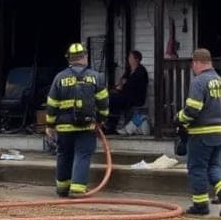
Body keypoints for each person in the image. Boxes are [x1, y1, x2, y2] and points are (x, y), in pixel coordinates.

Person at [175, 48, 221, 217]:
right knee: (213, 165)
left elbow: (193, 109)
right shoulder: (220, 81)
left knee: (197, 168)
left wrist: (179, 117)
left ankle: (200, 205)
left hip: (201, 133)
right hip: (219, 132)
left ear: (196, 63)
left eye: (192, 64)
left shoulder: (199, 82)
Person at [45, 42, 109, 198]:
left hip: (64, 127)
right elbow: (103, 103)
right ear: (85, 57)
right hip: (86, 126)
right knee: (83, 154)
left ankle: (62, 188)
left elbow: (52, 104)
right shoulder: (96, 77)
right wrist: (101, 120)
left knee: (63, 154)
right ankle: (78, 189)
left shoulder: (59, 78)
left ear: (69, 59)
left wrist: (50, 125)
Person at [105, 50, 148, 133]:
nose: (128, 59)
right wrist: (119, 86)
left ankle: (112, 125)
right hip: (126, 94)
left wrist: (124, 84)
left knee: (114, 99)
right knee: (110, 95)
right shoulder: (129, 70)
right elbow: (122, 81)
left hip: (135, 97)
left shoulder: (141, 71)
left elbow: (133, 86)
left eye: (130, 57)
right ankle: (109, 124)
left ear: (137, 59)